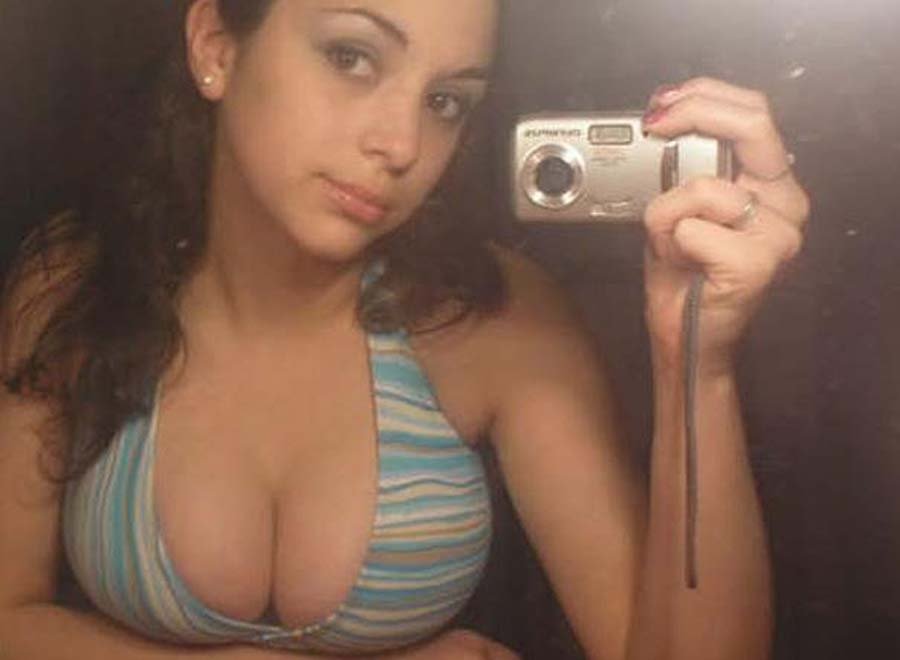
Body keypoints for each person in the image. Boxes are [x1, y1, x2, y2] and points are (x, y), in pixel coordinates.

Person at [0, 0, 810, 658]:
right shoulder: (76, 284)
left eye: (446, 101)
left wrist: (697, 361)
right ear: (216, 45)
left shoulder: (495, 321)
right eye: (352, 57)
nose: (401, 145)